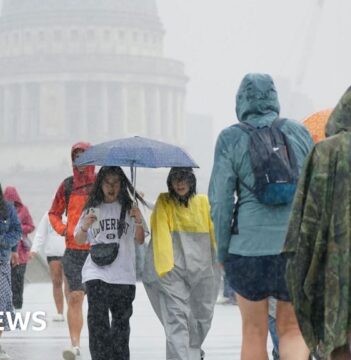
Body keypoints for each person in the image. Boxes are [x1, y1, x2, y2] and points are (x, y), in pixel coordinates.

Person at [208, 73, 313, 360]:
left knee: (253, 331)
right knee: (292, 329)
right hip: (292, 247)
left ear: (241, 101)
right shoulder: (298, 132)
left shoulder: (230, 138)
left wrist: (222, 247)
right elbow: (312, 193)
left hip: (247, 249)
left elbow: (220, 201)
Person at [283, 81, 351, 360]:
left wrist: (298, 259)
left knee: (337, 338)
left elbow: (307, 213)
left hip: (335, 264)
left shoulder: (325, 152)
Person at [143, 167, 220, 360]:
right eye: (176, 178)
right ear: (170, 182)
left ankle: (193, 352)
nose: (180, 183)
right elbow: (159, 234)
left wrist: (222, 259)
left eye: (184, 178)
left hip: (202, 274)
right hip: (172, 275)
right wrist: (165, 271)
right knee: (177, 320)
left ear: (191, 181)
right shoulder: (164, 203)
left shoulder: (203, 203)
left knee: (201, 319)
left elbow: (215, 234)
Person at [74, 166, 147, 360]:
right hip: (96, 273)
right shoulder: (92, 207)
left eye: (116, 182)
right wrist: (85, 225)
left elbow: (140, 240)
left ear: (122, 184)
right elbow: (80, 239)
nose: (112, 187)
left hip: (123, 276)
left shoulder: (130, 208)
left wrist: (139, 220)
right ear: (101, 184)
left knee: (121, 326)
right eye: (107, 182)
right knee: (98, 323)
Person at [49, 142, 96, 360]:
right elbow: (54, 213)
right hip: (74, 251)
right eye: (76, 157)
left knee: (97, 303)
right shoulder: (68, 185)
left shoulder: (102, 185)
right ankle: (75, 344)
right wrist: (64, 230)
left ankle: (99, 342)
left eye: (84, 156)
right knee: (75, 297)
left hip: (98, 253)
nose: (80, 162)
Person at [30, 212, 68, 321]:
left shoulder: (72, 212)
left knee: (69, 283)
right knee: (56, 281)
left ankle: (72, 310)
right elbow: (40, 234)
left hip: (69, 251)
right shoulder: (48, 215)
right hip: (52, 253)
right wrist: (34, 250)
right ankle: (60, 312)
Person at [3, 186, 35, 310]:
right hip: (6, 252)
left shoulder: (23, 210)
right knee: (6, 282)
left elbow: (31, 226)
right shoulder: (3, 211)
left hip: (21, 253)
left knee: (18, 281)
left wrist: (19, 228)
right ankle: (7, 306)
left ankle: (17, 306)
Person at [0, 184, 22, 360]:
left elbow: (17, 231)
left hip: (1, 261)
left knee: (2, 302)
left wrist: (3, 241)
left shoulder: (7, 209)